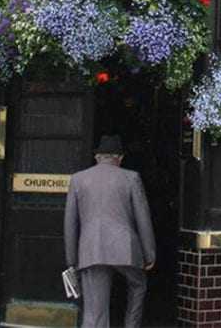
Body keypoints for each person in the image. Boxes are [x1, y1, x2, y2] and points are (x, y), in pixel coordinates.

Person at [64, 135, 155, 328]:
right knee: (138, 285)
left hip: (91, 250)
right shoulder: (131, 178)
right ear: (119, 158)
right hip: (125, 249)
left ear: (97, 157)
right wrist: (149, 254)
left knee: (95, 311)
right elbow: (143, 219)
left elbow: (70, 223)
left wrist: (72, 259)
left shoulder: (78, 179)